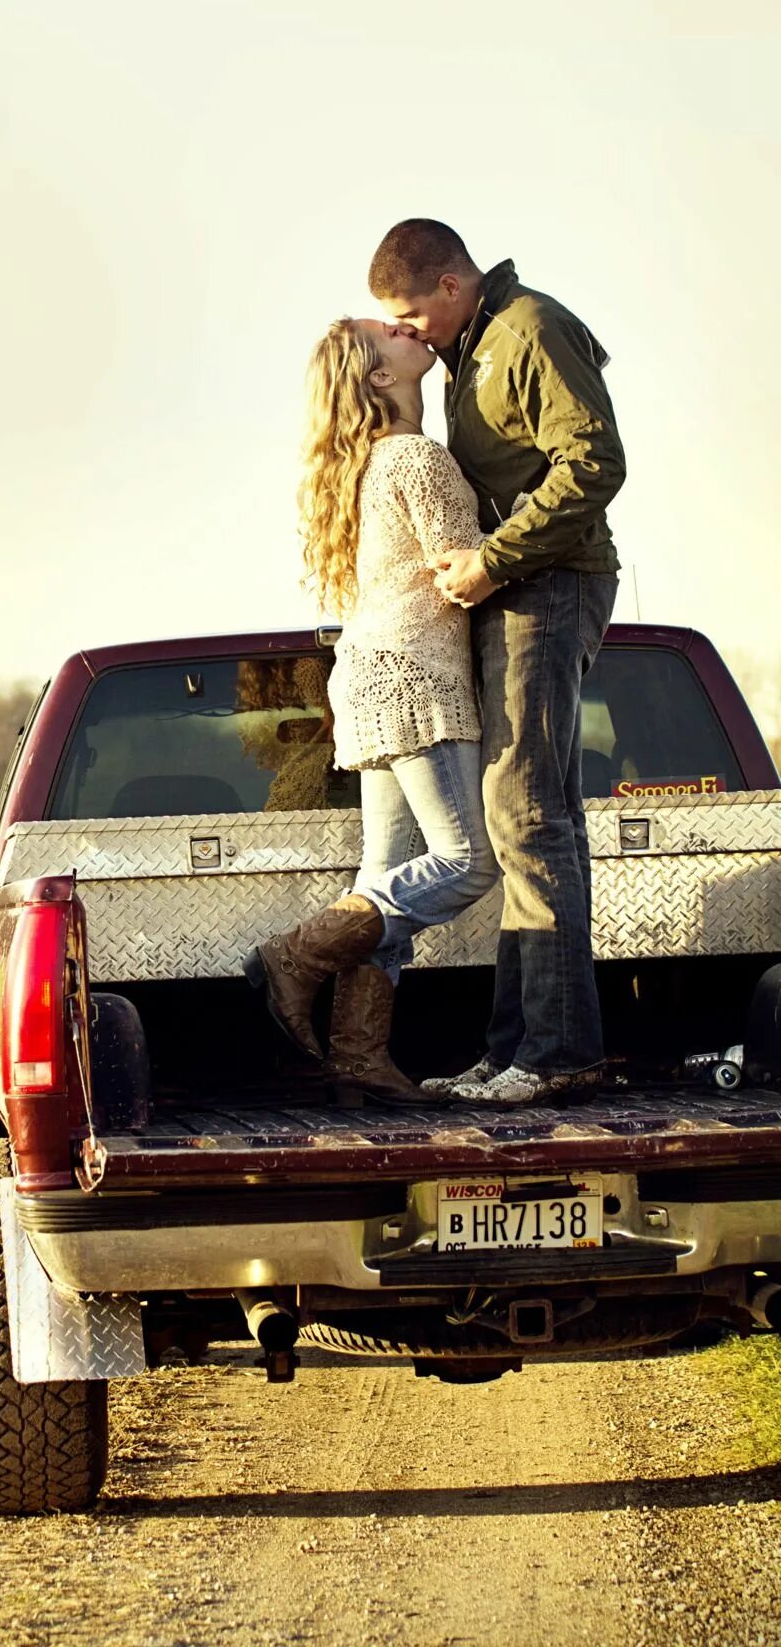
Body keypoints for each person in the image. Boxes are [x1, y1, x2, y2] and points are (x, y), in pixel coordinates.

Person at [368, 219, 626, 1106]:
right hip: (520, 588)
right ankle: (516, 1047)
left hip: (549, 586)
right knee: (522, 817)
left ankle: (554, 1057)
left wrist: (493, 558)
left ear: (449, 285)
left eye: (411, 313)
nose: (410, 333)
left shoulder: (528, 331)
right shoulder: (470, 347)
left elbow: (595, 461)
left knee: (527, 815)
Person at [244, 316, 499, 1102]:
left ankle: (359, 1052)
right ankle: (298, 953)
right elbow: (464, 574)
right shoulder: (417, 459)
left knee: (385, 872)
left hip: (364, 676)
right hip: (416, 676)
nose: (405, 327)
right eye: (387, 332)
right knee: (469, 863)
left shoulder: (359, 468)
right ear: (381, 378)